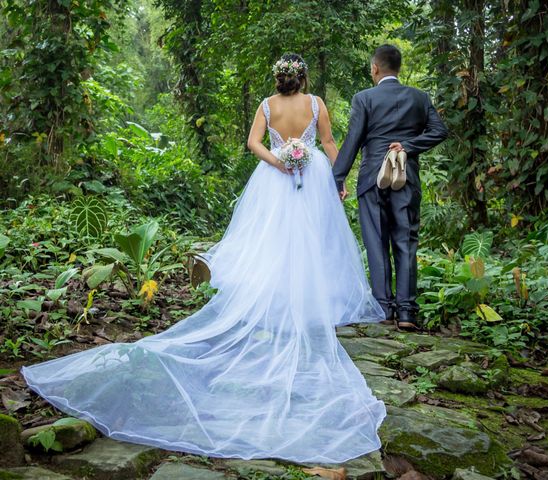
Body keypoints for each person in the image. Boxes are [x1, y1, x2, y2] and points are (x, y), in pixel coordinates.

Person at [20, 53, 388, 464]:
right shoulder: (317, 103)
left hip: (276, 177)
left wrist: (278, 161)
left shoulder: (267, 105)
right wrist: (335, 178)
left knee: (274, 240)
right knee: (309, 240)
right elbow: (330, 143)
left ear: (280, 78)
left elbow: (254, 144)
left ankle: (280, 294)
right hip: (312, 174)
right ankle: (301, 296)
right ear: (303, 78)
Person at [333, 44, 449, 331]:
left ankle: (384, 308)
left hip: (373, 177)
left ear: (375, 68)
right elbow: (439, 131)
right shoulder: (419, 98)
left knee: (376, 240)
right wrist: (408, 146)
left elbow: (353, 139)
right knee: (405, 241)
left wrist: (337, 177)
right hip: (406, 178)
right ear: (398, 67)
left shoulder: (364, 98)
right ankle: (407, 313)